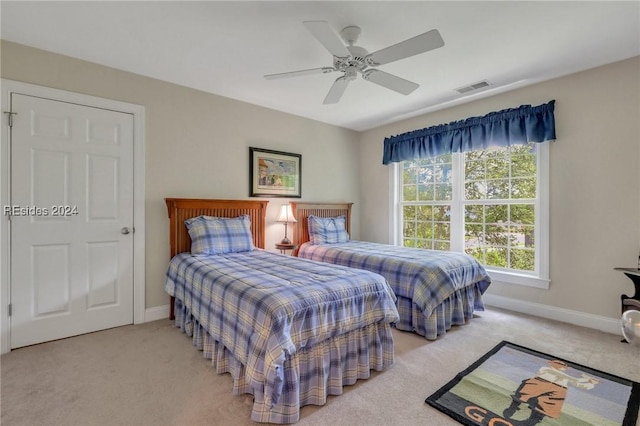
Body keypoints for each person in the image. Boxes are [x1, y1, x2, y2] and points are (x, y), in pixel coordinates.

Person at [503, 359, 598, 424]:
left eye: (565, 365)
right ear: (551, 363)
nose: (564, 366)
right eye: (560, 364)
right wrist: (580, 379)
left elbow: (581, 385)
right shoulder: (545, 369)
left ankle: (530, 423)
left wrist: (591, 383)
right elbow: (573, 379)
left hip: (558, 389)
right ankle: (511, 410)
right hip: (540, 383)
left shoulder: (566, 378)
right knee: (523, 395)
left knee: (548, 406)